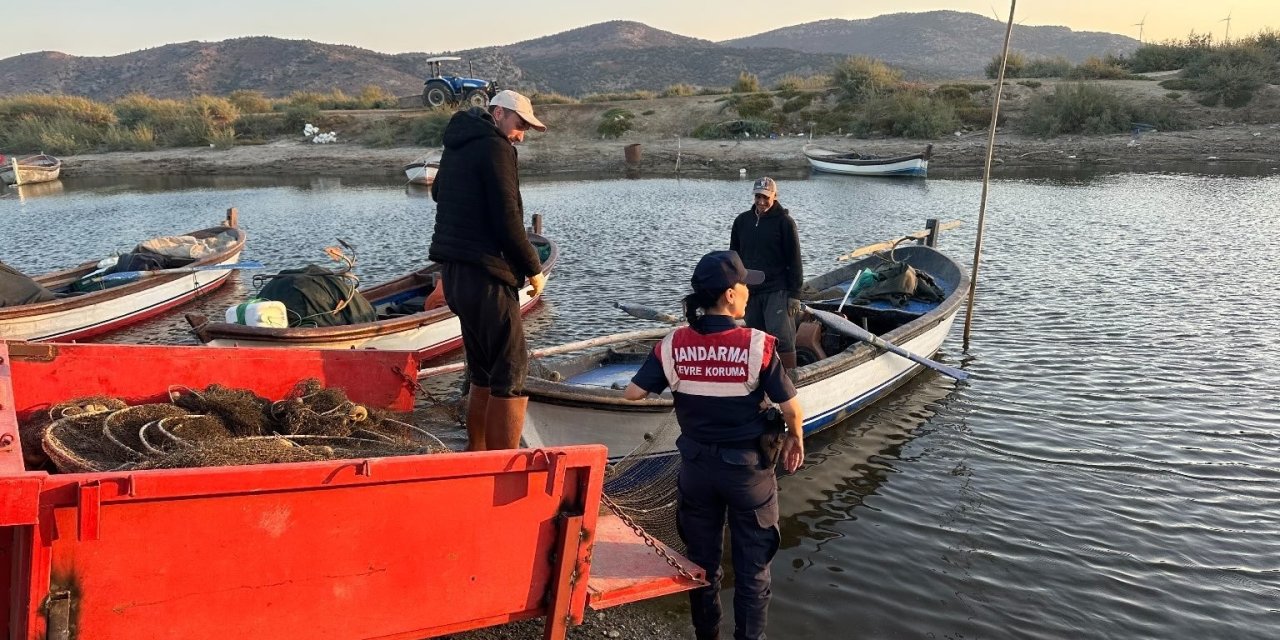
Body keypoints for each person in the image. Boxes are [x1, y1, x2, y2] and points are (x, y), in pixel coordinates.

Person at [622, 250, 804, 640]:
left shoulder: (673, 344)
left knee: (702, 565)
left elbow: (633, 393)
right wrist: (796, 439)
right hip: (747, 474)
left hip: (696, 471)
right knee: (753, 570)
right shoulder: (757, 345)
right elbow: (791, 408)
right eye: (744, 286)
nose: (749, 292)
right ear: (730, 295)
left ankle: (707, 635)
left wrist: (688, 381)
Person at [429, 89, 548, 451]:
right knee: (511, 373)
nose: (521, 135)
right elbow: (507, 219)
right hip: (486, 277)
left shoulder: (457, 144)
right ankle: (501, 467)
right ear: (498, 114)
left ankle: (476, 454)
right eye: (519, 124)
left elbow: (438, 193)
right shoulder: (496, 147)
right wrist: (533, 268)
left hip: (455, 275)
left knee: (482, 371)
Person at [729, 177, 803, 373]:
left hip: (777, 290)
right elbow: (733, 256)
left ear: (775, 196)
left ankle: (789, 377)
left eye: (766, 197)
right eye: (758, 197)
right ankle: (760, 375)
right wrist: (733, 285)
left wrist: (795, 295)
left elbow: (795, 259)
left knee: (782, 337)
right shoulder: (742, 221)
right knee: (755, 336)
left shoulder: (785, 223)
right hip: (749, 291)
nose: (761, 202)